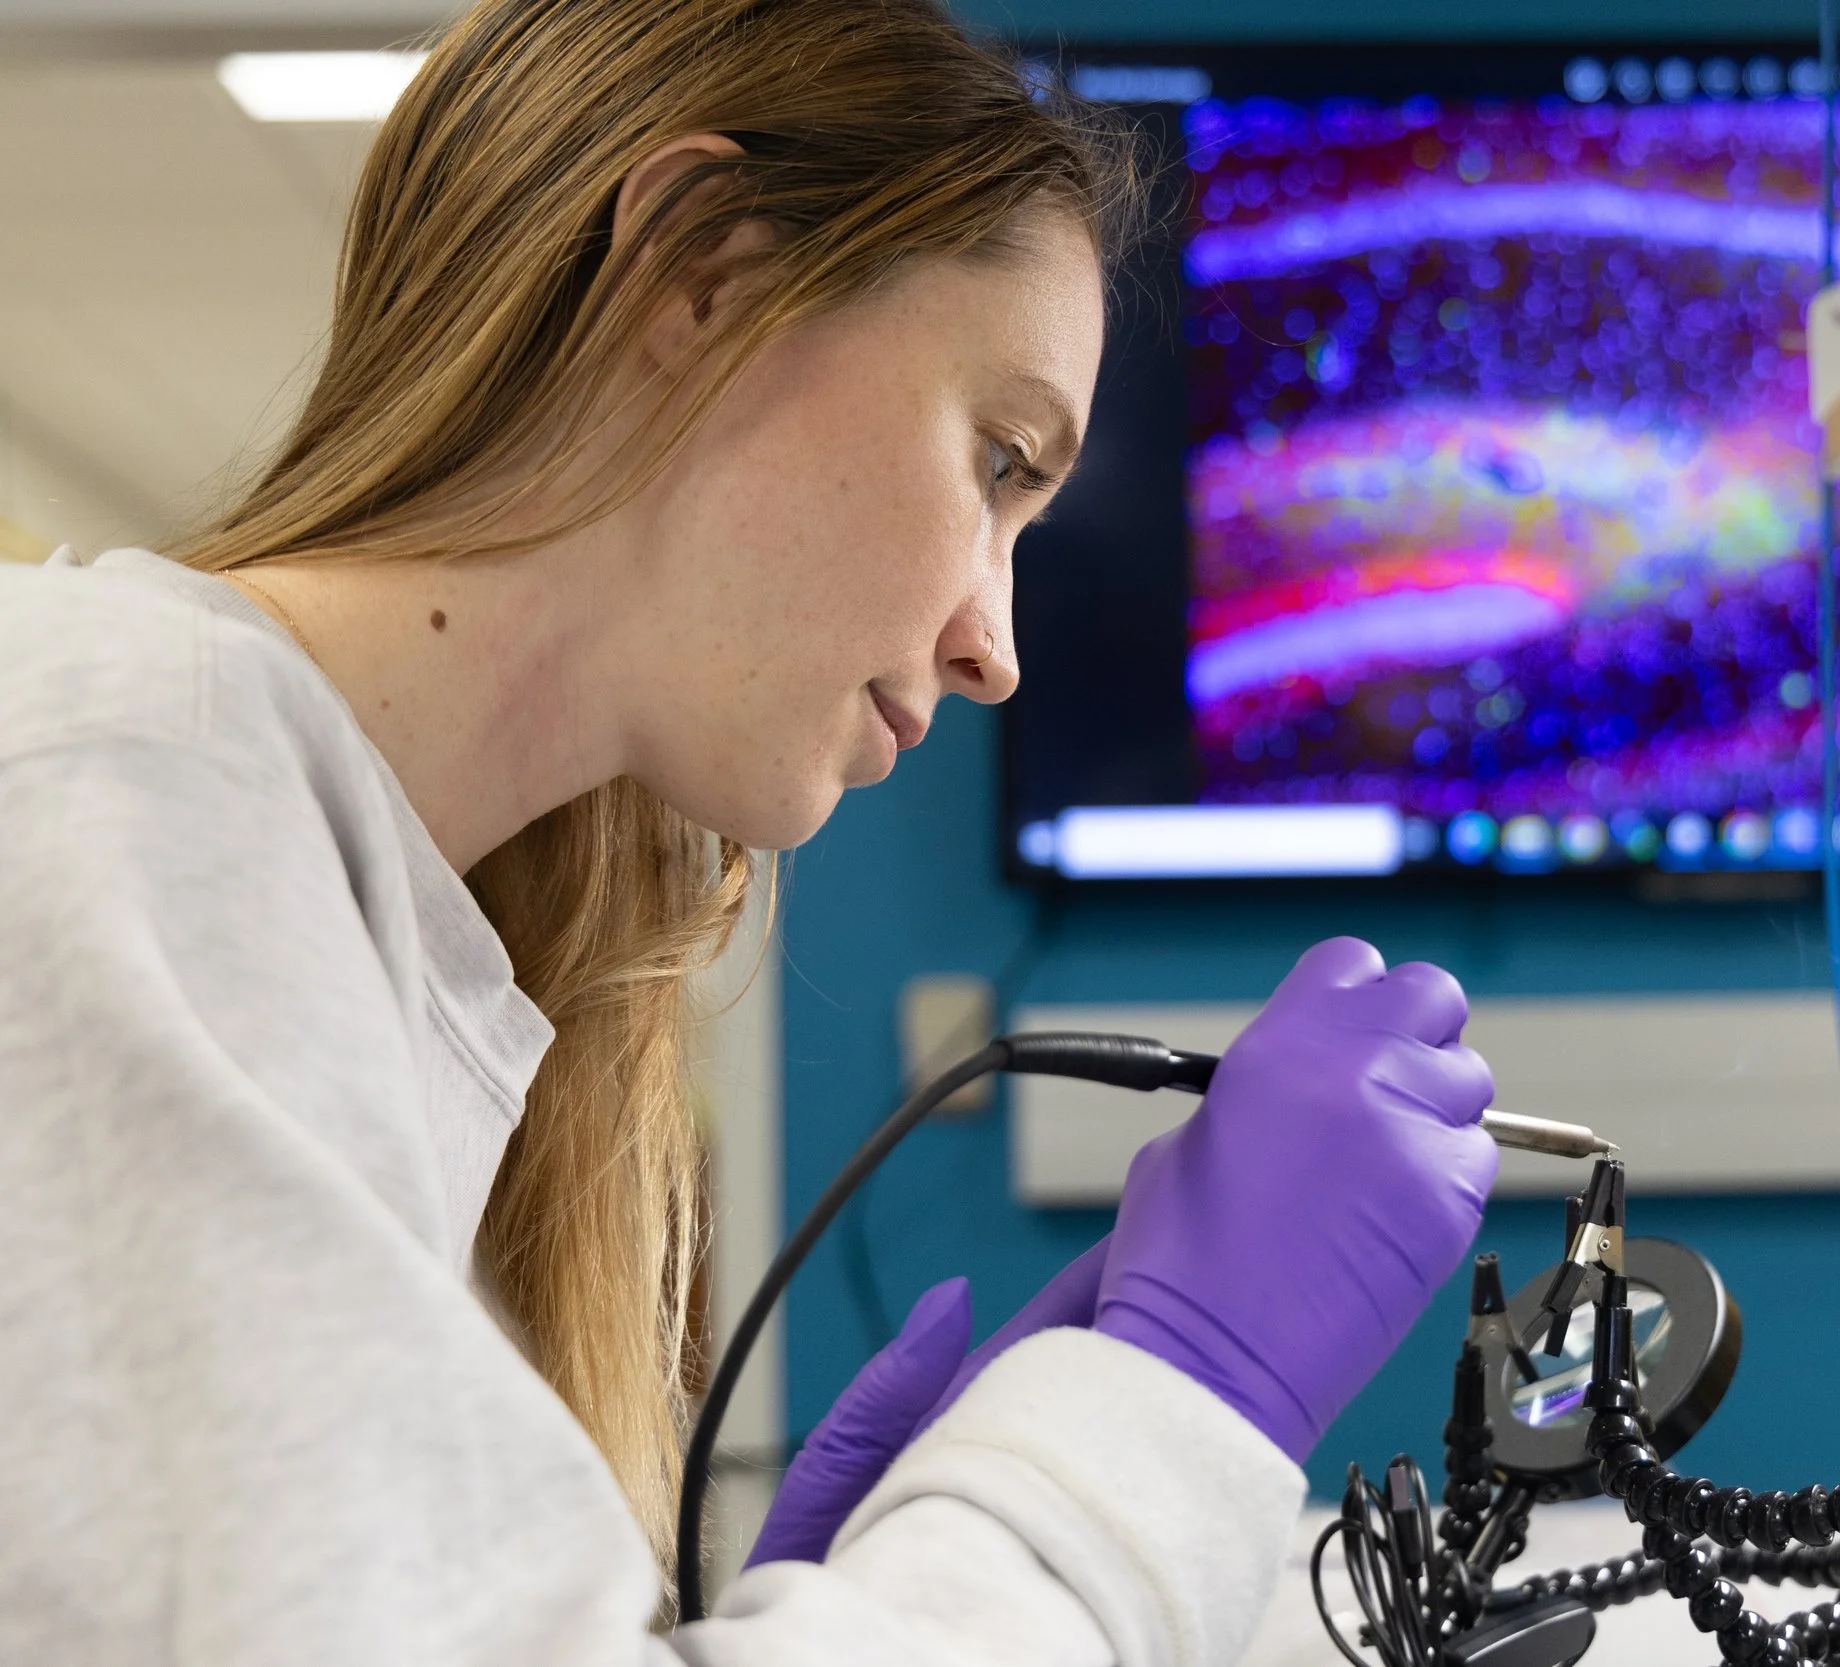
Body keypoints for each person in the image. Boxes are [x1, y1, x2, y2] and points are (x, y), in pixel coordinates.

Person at [0, 1, 1500, 1662]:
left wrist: (823, 1610)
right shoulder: (112, 770)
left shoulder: (334, 911)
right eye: (1000, 457)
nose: (995, 650)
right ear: (702, 268)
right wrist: (1166, 1406)